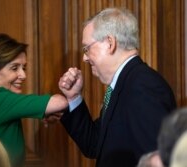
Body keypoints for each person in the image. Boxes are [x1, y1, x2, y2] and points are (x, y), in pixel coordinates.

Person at [58, 7, 176, 167]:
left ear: (109, 43)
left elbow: (157, 160)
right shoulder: (124, 83)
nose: (84, 58)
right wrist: (73, 97)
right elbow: (94, 144)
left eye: (87, 48)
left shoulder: (143, 86)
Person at [0, 33, 68, 166]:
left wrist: (45, 113)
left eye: (24, 68)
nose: (23, 75)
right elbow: (60, 102)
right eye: (14, 68)